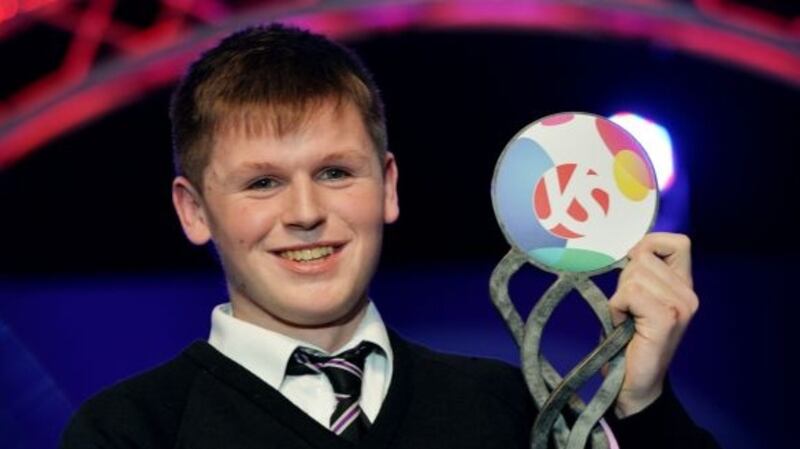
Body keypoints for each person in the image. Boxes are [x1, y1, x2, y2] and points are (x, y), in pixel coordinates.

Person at [60, 23, 719, 448]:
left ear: (388, 186)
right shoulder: (129, 432)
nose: (306, 211)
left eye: (335, 171)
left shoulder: (511, 409)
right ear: (194, 209)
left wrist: (640, 404)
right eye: (262, 183)